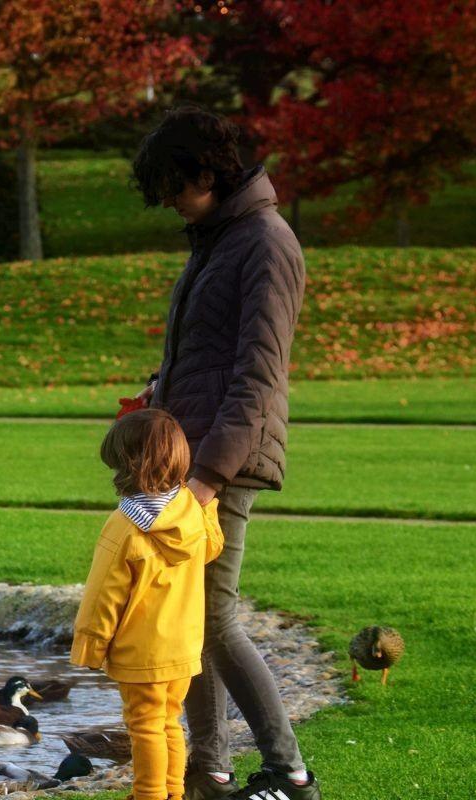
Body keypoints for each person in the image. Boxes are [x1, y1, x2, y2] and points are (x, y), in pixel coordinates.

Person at [129, 107, 318, 800]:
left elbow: (256, 377)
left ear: (207, 174)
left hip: (221, 465)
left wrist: (209, 477)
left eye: (175, 189)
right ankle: (207, 772)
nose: (171, 205)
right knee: (188, 619)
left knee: (214, 617)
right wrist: (159, 392)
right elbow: (206, 352)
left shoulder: (266, 243)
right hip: (188, 458)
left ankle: (289, 774)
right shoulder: (217, 239)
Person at [73, 409, 224, 800]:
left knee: (144, 725)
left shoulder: (124, 527)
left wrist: (90, 646)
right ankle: (173, 792)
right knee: (169, 721)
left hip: (143, 653)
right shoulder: (191, 512)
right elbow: (212, 548)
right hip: (184, 648)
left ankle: (149, 795)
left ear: (126, 464)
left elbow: (103, 594)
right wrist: (209, 508)